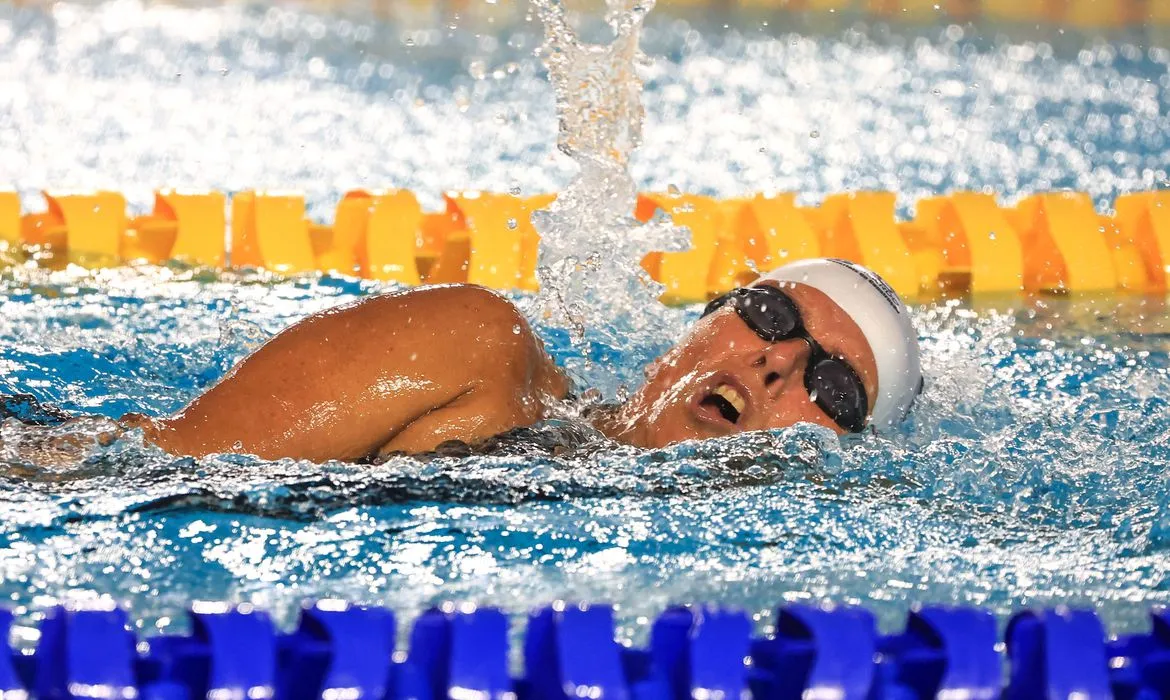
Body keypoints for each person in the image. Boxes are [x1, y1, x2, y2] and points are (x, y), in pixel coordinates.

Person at [117, 257, 923, 462]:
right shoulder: (472, 351)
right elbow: (127, 467)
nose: (777, 362)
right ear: (700, 324)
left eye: (834, 385)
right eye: (772, 315)